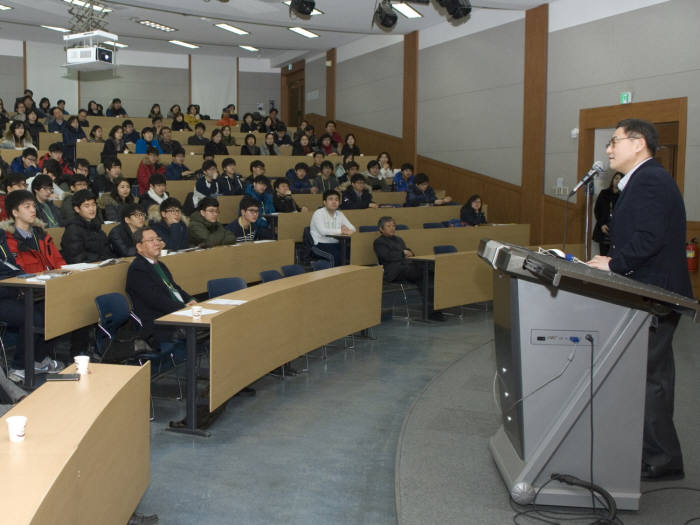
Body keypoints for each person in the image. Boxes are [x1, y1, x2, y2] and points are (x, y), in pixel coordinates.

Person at [587, 119, 691, 482]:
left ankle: (661, 459)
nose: (608, 149)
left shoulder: (649, 180)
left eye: (614, 141)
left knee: (649, 379)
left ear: (639, 143)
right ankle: (659, 454)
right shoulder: (644, 180)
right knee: (652, 377)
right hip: (650, 291)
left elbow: (649, 238)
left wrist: (614, 263)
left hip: (654, 292)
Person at [125, 227, 196, 347]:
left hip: (174, 310)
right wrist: (183, 308)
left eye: (158, 239)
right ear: (139, 247)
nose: (157, 243)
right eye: (151, 240)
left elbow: (174, 288)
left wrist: (190, 300)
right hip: (157, 319)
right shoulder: (138, 269)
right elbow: (156, 300)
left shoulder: (159, 264)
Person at [373, 216, 444, 321]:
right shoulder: (379, 242)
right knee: (423, 274)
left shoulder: (399, 239)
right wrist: (403, 253)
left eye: (393, 225)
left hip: (406, 267)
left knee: (429, 275)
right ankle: (431, 312)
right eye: (388, 226)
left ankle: (433, 311)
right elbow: (387, 256)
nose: (392, 228)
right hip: (394, 271)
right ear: (381, 229)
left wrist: (406, 253)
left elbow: (409, 253)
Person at [1, 189, 66, 272]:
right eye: (27, 207)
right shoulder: (7, 241)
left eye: (34, 206)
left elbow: (58, 261)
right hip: (29, 284)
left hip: (51, 281)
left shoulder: (43, 236)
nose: (33, 210)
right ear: (15, 213)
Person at [61, 189, 113, 263]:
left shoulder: (97, 227)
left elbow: (107, 250)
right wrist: (101, 259)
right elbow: (77, 258)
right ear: (77, 209)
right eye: (87, 206)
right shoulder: (72, 230)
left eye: (93, 204)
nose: (92, 209)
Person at [309, 189, 355, 266]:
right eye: (331, 199)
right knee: (336, 256)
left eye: (336, 199)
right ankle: (336, 277)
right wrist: (341, 231)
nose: (334, 202)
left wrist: (347, 230)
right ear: (324, 202)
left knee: (351, 254)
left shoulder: (340, 214)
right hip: (320, 245)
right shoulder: (318, 213)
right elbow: (323, 231)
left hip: (337, 244)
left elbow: (353, 229)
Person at [592, 172, 622, 256]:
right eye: (616, 178)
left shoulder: (623, 195)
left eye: (620, 179)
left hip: (617, 230)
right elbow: (597, 210)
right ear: (612, 180)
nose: (618, 181)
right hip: (604, 228)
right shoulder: (604, 193)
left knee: (615, 256)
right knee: (603, 255)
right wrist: (602, 224)